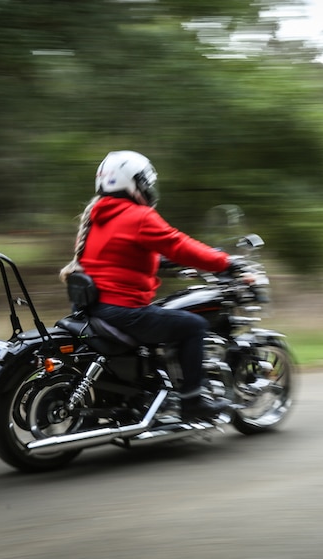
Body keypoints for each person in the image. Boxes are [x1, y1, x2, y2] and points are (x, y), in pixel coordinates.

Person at [60, 150, 235, 420]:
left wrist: (158, 260)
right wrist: (224, 262)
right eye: (146, 181)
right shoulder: (139, 216)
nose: (149, 188)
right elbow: (179, 244)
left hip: (91, 306)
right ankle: (192, 401)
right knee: (193, 325)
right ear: (133, 182)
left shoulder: (95, 214)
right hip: (121, 310)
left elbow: (116, 254)